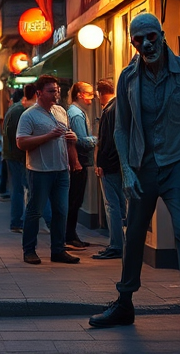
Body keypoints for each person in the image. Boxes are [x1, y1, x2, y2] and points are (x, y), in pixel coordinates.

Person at [89, 12, 180, 343]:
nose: (146, 43)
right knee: (133, 236)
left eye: (151, 36)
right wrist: (128, 169)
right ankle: (124, 302)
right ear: (132, 42)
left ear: (162, 35)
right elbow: (120, 128)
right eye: (138, 39)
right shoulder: (128, 78)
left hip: (178, 165)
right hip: (143, 166)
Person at [16, 74, 81, 266]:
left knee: (62, 211)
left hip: (61, 170)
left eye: (57, 90)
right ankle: (29, 250)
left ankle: (58, 250)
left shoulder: (61, 111)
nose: (56, 94)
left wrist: (73, 149)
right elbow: (21, 143)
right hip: (40, 170)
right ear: (39, 93)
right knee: (35, 211)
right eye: (51, 91)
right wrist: (48, 136)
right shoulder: (29, 115)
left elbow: (68, 140)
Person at [92, 80, 125, 260]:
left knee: (111, 205)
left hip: (110, 166)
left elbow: (107, 141)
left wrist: (101, 164)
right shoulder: (119, 106)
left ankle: (115, 245)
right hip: (119, 165)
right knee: (120, 205)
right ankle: (120, 242)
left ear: (99, 93)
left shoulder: (109, 110)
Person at [66, 82, 97, 250]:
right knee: (75, 200)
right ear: (80, 94)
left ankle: (71, 234)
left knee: (74, 199)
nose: (92, 98)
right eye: (90, 94)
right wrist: (99, 139)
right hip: (79, 162)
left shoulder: (75, 112)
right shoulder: (77, 114)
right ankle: (70, 235)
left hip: (78, 162)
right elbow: (81, 141)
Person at [3, 87, 31, 233]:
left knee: (18, 188)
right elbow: (17, 136)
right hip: (17, 156)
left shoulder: (13, 109)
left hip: (12, 155)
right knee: (21, 189)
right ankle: (17, 221)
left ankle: (17, 221)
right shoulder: (19, 111)